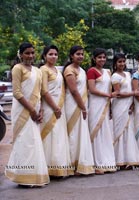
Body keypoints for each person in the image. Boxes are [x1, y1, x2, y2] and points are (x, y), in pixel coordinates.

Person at [5, 42, 50, 187]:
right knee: (24, 142)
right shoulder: (17, 69)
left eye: (32, 53)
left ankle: (35, 176)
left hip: (36, 109)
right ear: (20, 54)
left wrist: (40, 110)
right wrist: (31, 110)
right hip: (23, 110)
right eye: (27, 53)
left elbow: (41, 92)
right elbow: (17, 92)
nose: (30, 56)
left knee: (34, 141)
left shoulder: (38, 71)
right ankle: (23, 177)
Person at [40, 45, 74, 177]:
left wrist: (59, 107)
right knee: (50, 136)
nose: (53, 57)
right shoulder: (43, 69)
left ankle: (60, 167)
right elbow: (44, 90)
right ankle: (49, 168)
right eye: (50, 54)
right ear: (44, 56)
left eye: (55, 54)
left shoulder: (57, 70)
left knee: (59, 137)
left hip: (60, 107)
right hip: (50, 107)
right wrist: (54, 107)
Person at [63, 45, 94, 175]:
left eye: (82, 54)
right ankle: (72, 165)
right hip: (73, 104)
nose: (80, 56)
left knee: (80, 133)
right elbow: (74, 91)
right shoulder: (69, 70)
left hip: (82, 103)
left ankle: (80, 164)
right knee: (73, 134)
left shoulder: (81, 69)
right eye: (77, 54)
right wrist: (83, 107)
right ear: (71, 56)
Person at [87, 48, 117, 174]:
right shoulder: (91, 71)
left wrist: (109, 103)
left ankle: (107, 163)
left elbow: (111, 88)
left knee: (105, 133)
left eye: (104, 57)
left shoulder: (108, 72)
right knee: (96, 131)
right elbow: (92, 89)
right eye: (99, 57)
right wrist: (108, 95)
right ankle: (96, 163)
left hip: (105, 104)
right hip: (95, 105)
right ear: (94, 58)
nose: (102, 60)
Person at [111, 53, 139, 169]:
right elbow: (117, 94)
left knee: (129, 131)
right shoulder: (115, 77)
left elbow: (131, 89)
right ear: (115, 63)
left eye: (123, 61)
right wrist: (133, 94)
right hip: (119, 107)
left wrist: (133, 102)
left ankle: (129, 160)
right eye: (119, 62)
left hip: (128, 105)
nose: (122, 64)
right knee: (120, 132)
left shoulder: (128, 74)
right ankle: (120, 161)